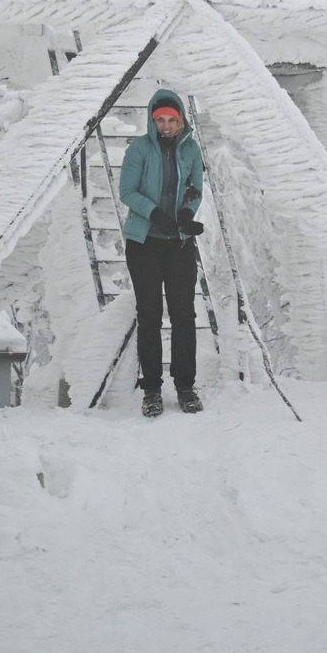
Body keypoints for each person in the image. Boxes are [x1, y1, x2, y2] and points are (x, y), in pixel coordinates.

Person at [119, 87, 205, 417]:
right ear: (152, 121)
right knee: (151, 315)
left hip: (179, 244)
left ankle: (185, 386)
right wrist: (156, 214)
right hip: (145, 244)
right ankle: (151, 388)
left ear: (181, 119)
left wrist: (185, 214)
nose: (166, 126)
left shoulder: (190, 149)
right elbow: (127, 191)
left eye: (171, 119)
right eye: (159, 120)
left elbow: (195, 188)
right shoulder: (140, 149)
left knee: (184, 315)